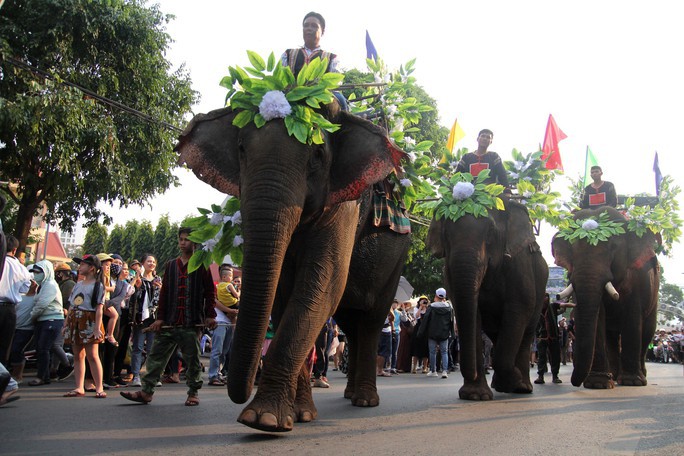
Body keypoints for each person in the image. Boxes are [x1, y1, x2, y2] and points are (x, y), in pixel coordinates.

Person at [120, 227, 217, 406]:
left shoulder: (201, 264)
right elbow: (164, 294)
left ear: (194, 242)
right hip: (170, 321)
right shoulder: (171, 265)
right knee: (156, 356)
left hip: (191, 322)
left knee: (192, 359)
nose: (182, 242)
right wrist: (160, 318)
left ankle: (193, 392)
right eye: (180, 239)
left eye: (186, 239)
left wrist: (210, 316)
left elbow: (210, 292)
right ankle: (146, 391)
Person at [281, 11, 347, 110]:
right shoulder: (288, 54)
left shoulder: (331, 57)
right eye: (306, 25)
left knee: (340, 99)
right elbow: (280, 78)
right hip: (292, 95)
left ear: (322, 31)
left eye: (314, 26)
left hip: (320, 96)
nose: (309, 29)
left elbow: (336, 83)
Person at [62, 254, 107, 398]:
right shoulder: (78, 285)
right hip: (75, 319)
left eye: (82, 264)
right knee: (78, 355)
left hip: (89, 320)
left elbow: (100, 308)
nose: (79, 267)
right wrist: (66, 324)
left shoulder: (98, 286)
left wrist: (96, 328)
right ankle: (79, 387)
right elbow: (71, 306)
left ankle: (99, 387)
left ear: (92, 268)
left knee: (92, 355)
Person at [26, 260, 64, 386]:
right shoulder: (42, 285)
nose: (36, 274)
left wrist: (32, 317)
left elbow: (41, 305)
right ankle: (45, 375)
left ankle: (42, 376)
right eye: (34, 272)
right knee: (42, 348)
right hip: (43, 320)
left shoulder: (50, 285)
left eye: (38, 272)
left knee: (43, 348)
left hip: (51, 319)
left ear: (46, 272)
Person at [0, 235, 34, 367]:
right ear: (15, 250)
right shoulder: (21, 268)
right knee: (4, 346)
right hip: (9, 309)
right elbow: (25, 288)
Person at [127, 253, 161, 387]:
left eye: (153, 262)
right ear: (142, 263)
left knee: (153, 348)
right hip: (140, 317)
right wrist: (138, 286)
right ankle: (136, 375)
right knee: (138, 347)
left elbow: (160, 298)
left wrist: (159, 288)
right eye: (148, 261)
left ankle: (152, 376)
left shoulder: (157, 279)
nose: (151, 264)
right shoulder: (137, 278)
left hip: (153, 317)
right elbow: (131, 294)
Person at [207, 264, 239, 386]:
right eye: (228, 274)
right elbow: (214, 302)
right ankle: (213, 376)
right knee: (217, 350)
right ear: (222, 275)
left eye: (232, 274)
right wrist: (229, 310)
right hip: (219, 321)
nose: (230, 277)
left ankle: (219, 373)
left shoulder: (233, 287)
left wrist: (233, 314)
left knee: (224, 350)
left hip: (230, 322)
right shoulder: (216, 286)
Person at [535, 293, 575, 384]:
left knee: (555, 357)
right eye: (544, 297)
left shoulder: (552, 307)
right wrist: (537, 336)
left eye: (547, 297)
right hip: (542, 337)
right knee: (541, 358)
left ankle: (555, 376)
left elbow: (564, 305)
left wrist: (575, 305)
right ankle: (540, 376)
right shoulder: (536, 310)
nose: (546, 298)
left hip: (553, 337)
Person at [417, 288, 455, 379]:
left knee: (432, 352)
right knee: (444, 352)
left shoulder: (431, 307)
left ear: (436, 296)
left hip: (432, 333)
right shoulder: (449, 307)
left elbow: (425, 320)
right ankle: (445, 371)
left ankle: (433, 370)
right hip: (444, 333)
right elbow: (451, 321)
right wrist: (452, 333)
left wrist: (420, 332)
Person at [411, 295, 430, 373]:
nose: (424, 302)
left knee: (426, 348)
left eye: (425, 301)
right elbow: (416, 316)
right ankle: (414, 367)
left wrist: (426, 307)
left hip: (426, 330)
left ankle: (425, 367)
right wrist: (420, 307)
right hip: (418, 328)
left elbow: (429, 318)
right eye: (422, 301)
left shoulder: (429, 309)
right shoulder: (416, 308)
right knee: (416, 347)